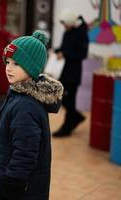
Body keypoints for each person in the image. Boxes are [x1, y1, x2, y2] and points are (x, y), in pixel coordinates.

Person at [0, 31, 64, 200]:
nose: (9, 68)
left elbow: (25, 151)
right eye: (7, 62)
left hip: (19, 190)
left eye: (16, 63)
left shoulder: (25, 106)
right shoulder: (18, 94)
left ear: (31, 68)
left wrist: (11, 184)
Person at [52, 9, 89, 137]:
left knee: (69, 100)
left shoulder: (82, 33)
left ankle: (67, 128)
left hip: (73, 74)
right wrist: (56, 51)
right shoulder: (67, 32)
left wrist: (65, 54)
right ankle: (77, 117)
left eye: (65, 24)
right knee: (62, 98)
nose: (64, 27)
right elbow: (64, 48)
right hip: (64, 72)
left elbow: (82, 54)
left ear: (71, 22)